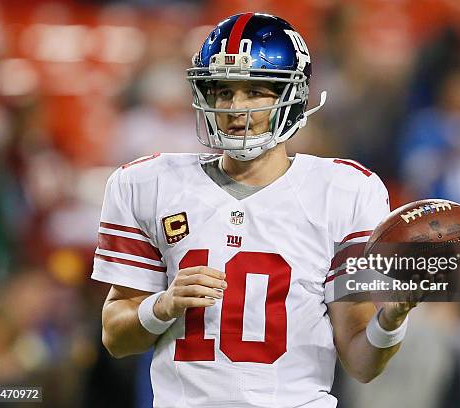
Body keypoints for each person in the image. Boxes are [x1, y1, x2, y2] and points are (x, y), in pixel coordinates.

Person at [92, 13, 416, 408]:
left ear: (291, 98)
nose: (234, 108)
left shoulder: (344, 192)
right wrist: (162, 306)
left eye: (255, 92)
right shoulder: (149, 185)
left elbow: (362, 362)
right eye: (224, 92)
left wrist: (391, 321)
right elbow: (115, 336)